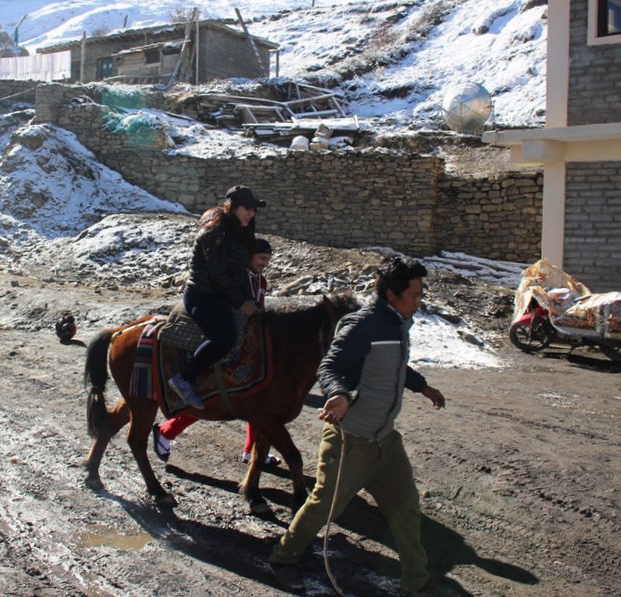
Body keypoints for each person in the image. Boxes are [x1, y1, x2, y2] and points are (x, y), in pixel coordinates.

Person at [268, 255, 447, 596]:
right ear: (392, 294)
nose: (420, 301)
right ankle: (283, 557)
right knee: (324, 505)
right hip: (352, 441)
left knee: (406, 506)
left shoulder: (398, 323)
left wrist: (422, 386)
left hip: (385, 441)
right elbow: (331, 366)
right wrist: (339, 395)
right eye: (416, 294)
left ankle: (416, 581)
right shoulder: (362, 325)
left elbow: (395, 367)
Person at [152, 238, 281, 466]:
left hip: (250, 342)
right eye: (262, 258)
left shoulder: (260, 281)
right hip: (230, 339)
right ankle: (166, 431)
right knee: (210, 396)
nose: (264, 264)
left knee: (261, 395)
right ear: (250, 256)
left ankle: (252, 450)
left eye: (268, 260)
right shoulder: (236, 277)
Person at [167, 185, 266, 410]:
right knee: (225, 338)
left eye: (254, 210)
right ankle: (185, 377)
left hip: (223, 293)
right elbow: (217, 274)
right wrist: (241, 302)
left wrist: (251, 299)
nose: (251, 214)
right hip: (203, 294)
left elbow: (239, 271)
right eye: (247, 209)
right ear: (231, 207)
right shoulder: (216, 231)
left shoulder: (243, 230)